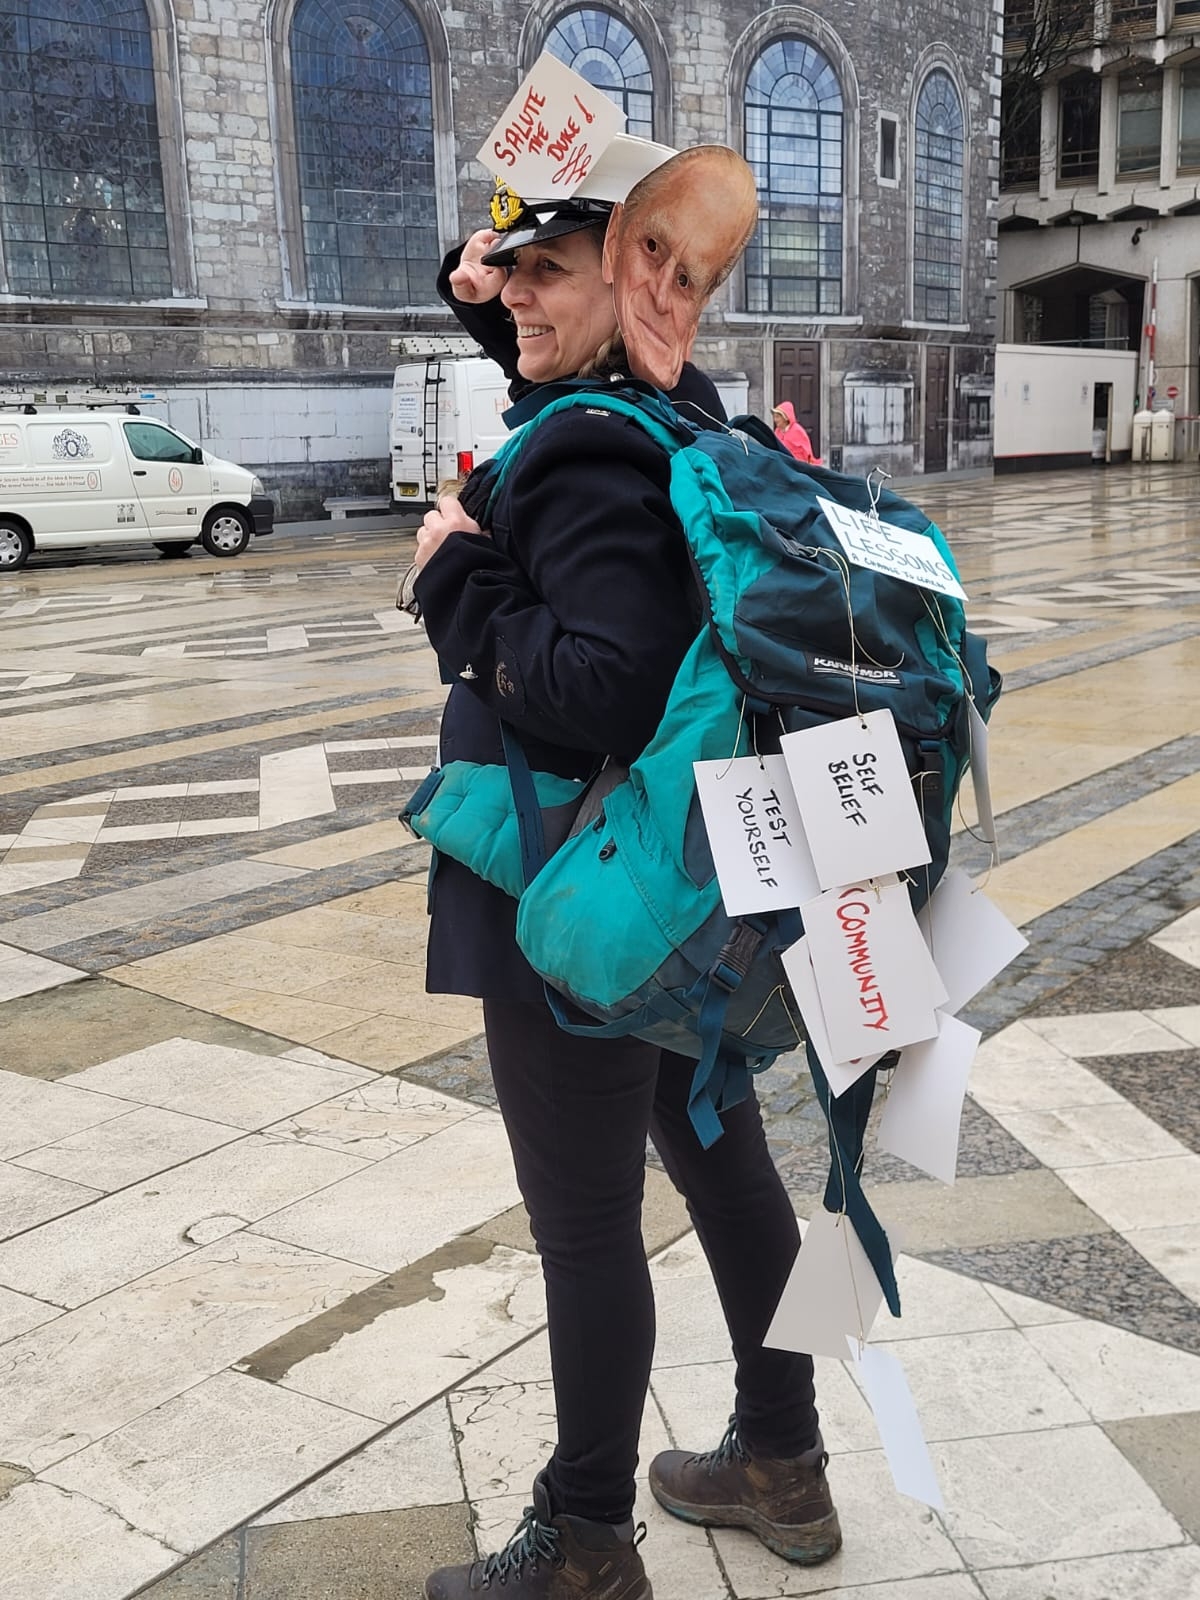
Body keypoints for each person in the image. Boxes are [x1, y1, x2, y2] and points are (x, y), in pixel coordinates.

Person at [413, 149, 840, 1600]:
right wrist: (486, 284)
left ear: (635, 277)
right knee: (728, 1162)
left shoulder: (589, 449)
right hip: (684, 880)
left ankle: (587, 1536)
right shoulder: (674, 410)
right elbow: (561, 372)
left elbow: (597, 683)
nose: (513, 293)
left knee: (588, 1224)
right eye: (506, 269)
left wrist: (452, 577)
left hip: (583, 899)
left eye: (546, 269)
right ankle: (784, 1453)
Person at [771, 400, 823, 465]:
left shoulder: (797, 431)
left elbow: (806, 452)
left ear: (785, 417)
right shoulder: (777, 431)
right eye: (774, 417)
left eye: (777, 417)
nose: (775, 420)